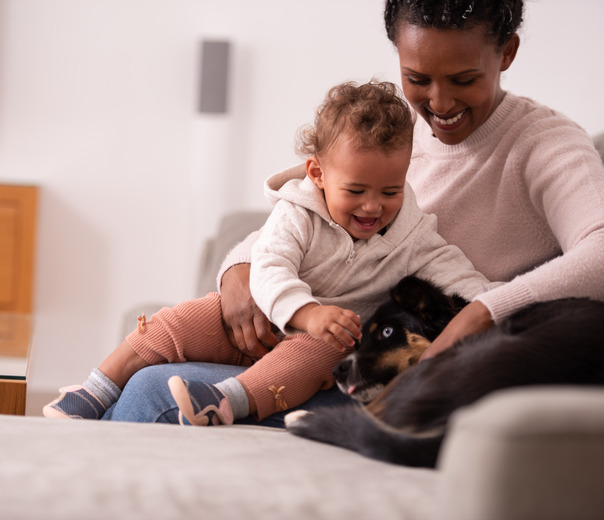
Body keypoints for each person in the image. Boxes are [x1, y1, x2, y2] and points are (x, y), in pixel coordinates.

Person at [101, 0, 604, 427]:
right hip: (318, 325)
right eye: (417, 78)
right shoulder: (395, 129)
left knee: (156, 392)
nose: (440, 102)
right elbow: (306, 209)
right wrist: (239, 268)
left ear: (508, 52)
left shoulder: (546, 143)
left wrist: (483, 312)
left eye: (464, 79)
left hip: (391, 367)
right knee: (157, 359)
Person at [43, 80, 496, 425]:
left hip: (306, 346)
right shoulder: (296, 211)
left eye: (390, 191)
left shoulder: (412, 234)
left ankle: (226, 401)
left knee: (323, 349)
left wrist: (499, 303)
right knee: (183, 319)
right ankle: (95, 391)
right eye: (355, 190)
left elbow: (461, 277)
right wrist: (307, 311)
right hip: (257, 320)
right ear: (318, 173)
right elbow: (270, 265)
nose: (373, 206)